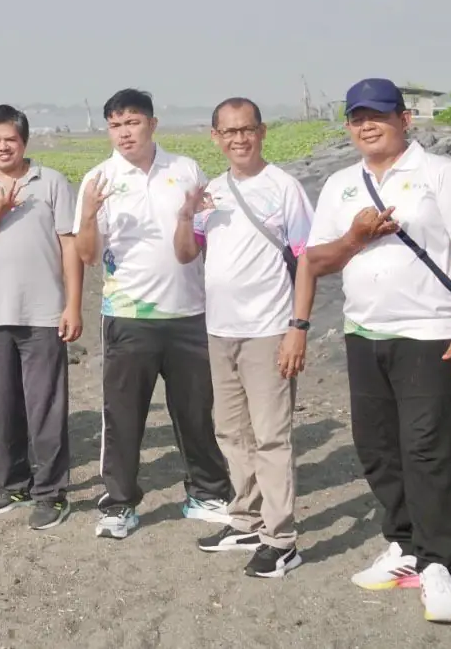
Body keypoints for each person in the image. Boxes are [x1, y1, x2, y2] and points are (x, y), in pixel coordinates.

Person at [299, 78, 451, 625]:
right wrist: (357, 236)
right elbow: (319, 260)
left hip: (431, 331)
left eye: (378, 115)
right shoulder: (341, 184)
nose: (367, 125)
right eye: (357, 116)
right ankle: (403, 545)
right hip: (364, 332)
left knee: (427, 449)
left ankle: (437, 565)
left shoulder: (440, 175)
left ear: (404, 119)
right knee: (377, 447)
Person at [73, 88, 232, 540]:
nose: (125, 132)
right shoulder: (98, 179)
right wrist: (88, 216)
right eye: (116, 124)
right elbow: (87, 256)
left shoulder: (185, 170)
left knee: (196, 410)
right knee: (123, 414)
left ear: (152, 124)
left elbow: (204, 235)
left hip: (188, 311)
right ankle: (119, 504)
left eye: (133, 122)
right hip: (127, 314)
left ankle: (207, 493)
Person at [173, 98, 313, 578]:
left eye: (247, 130)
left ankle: (282, 539)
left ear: (262, 132)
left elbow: (307, 261)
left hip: (269, 329)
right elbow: (188, 253)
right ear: (215, 137)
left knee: (272, 436)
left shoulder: (284, 188)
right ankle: (248, 519)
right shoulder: (211, 191)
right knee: (231, 431)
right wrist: (184, 214)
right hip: (220, 330)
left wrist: (298, 328)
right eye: (228, 132)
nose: (239, 139)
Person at [0, 104, 83, 529]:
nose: (2, 146)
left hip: (44, 314)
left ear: (24, 141)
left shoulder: (51, 182)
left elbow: (70, 246)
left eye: (10, 139)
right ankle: (11, 484)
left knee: (45, 406)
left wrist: (73, 304)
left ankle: (51, 491)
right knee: (0, 406)